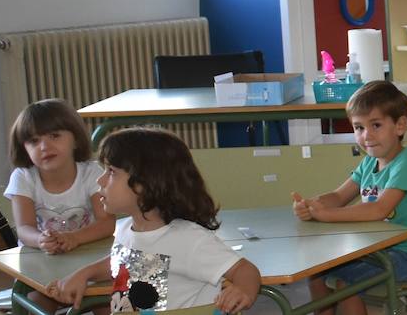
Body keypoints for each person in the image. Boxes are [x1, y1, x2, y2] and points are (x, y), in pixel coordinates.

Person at [48, 128, 261, 314]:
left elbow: (244, 270)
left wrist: (243, 290)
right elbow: (121, 261)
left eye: (111, 172)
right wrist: (84, 274)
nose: (100, 180)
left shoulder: (187, 239)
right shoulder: (125, 229)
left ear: (146, 183)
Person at [292, 81, 407, 315]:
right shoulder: (370, 161)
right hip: (378, 249)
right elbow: (339, 196)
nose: (366, 135)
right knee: (317, 272)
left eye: (376, 125)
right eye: (359, 127)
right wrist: (312, 205)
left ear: (400, 125)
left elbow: (379, 210)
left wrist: (327, 215)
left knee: (347, 283)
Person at [5, 99, 115, 254]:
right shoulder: (23, 177)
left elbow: (106, 223)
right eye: (34, 141)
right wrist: (40, 240)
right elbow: (23, 228)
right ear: (24, 149)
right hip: (38, 256)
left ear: (76, 140)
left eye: (54, 136)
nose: (44, 147)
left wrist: (74, 238)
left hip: (85, 251)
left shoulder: (91, 173)